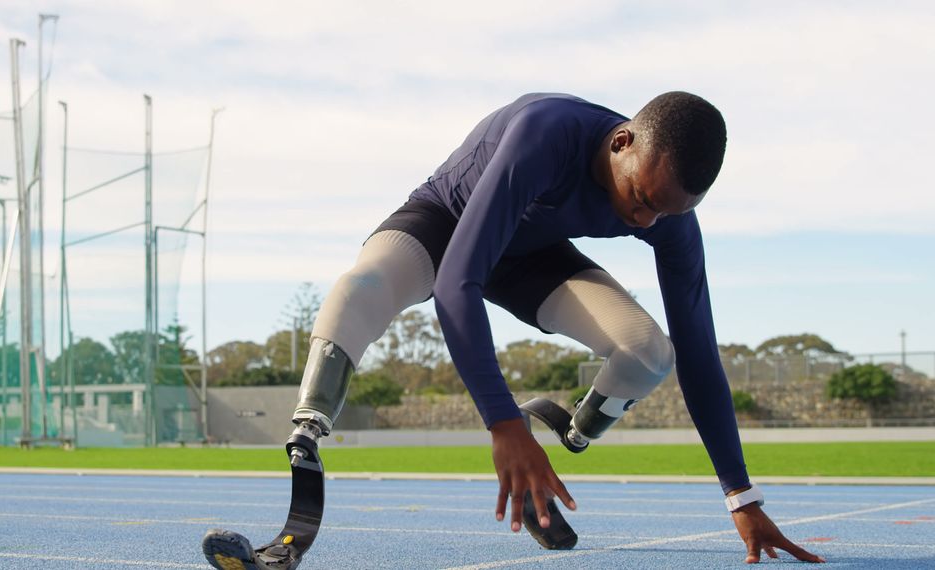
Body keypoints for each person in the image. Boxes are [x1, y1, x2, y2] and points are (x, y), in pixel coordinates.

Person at [291, 91, 825, 564]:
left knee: (650, 355)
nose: (645, 223)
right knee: (360, 288)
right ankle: (307, 432)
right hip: (444, 225)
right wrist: (505, 426)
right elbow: (458, 282)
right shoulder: (545, 133)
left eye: (665, 214)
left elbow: (699, 355)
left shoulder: (668, 214)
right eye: (640, 199)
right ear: (621, 142)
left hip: (530, 256)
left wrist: (741, 494)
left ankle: (573, 431)